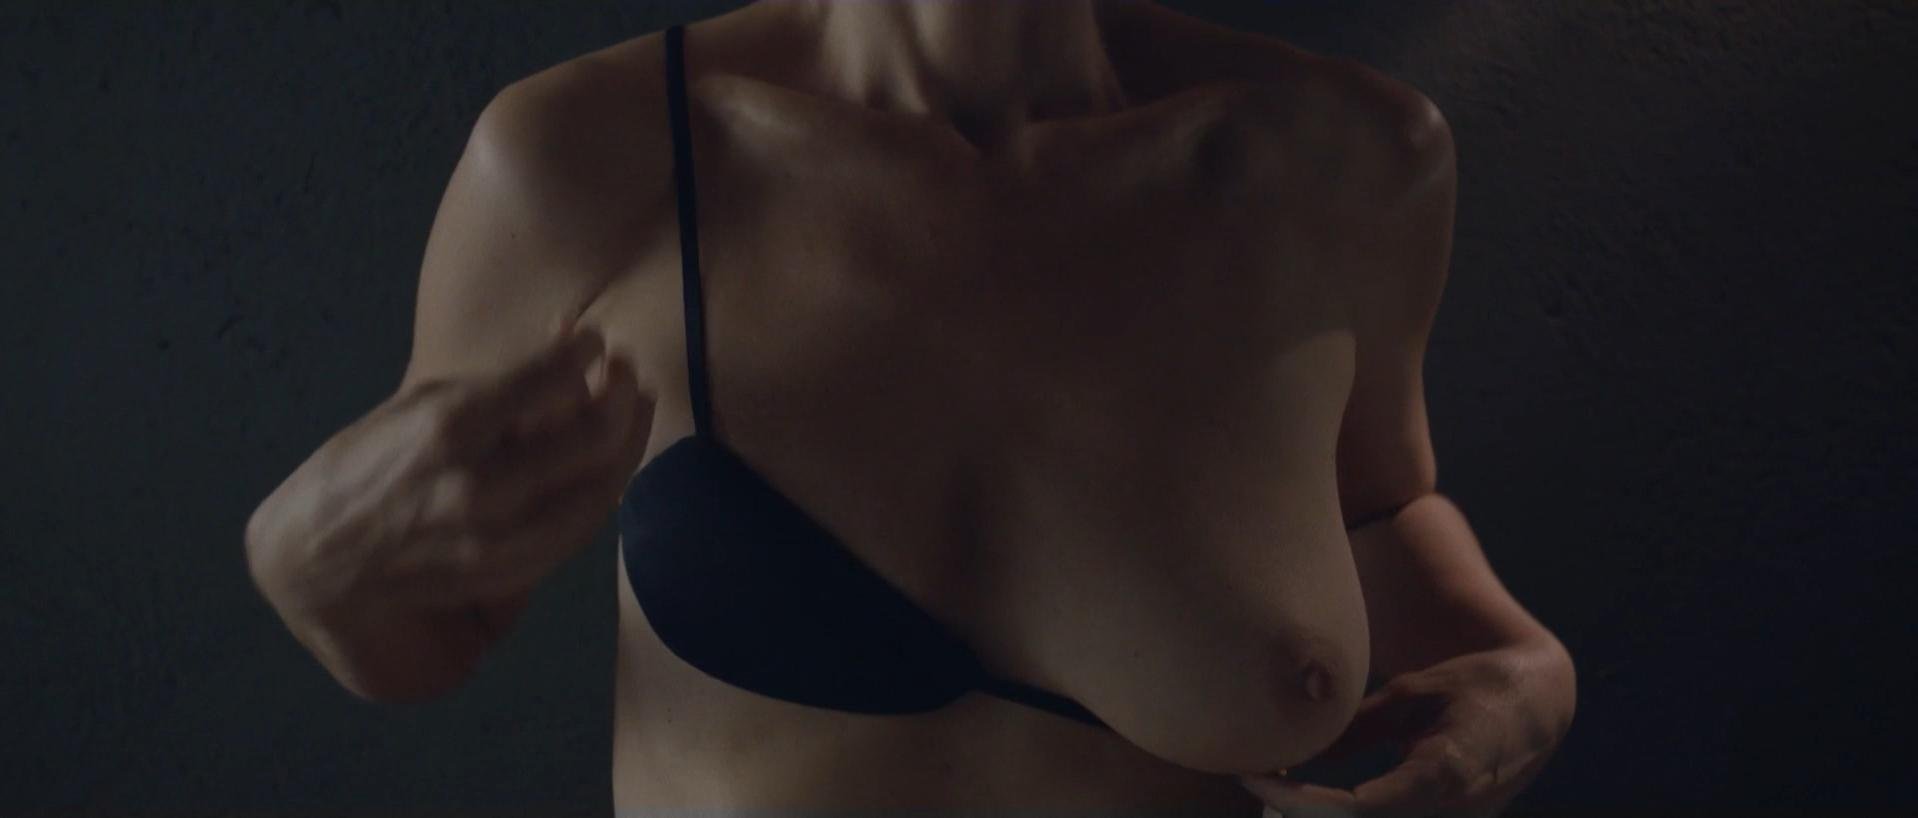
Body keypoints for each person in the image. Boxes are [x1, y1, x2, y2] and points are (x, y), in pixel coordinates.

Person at [244, 1, 1576, 815]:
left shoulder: (1351, 162)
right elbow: (425, 625)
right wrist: (308, 575)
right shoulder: (590, 160)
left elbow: (1377, 505)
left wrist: (1527, 675)